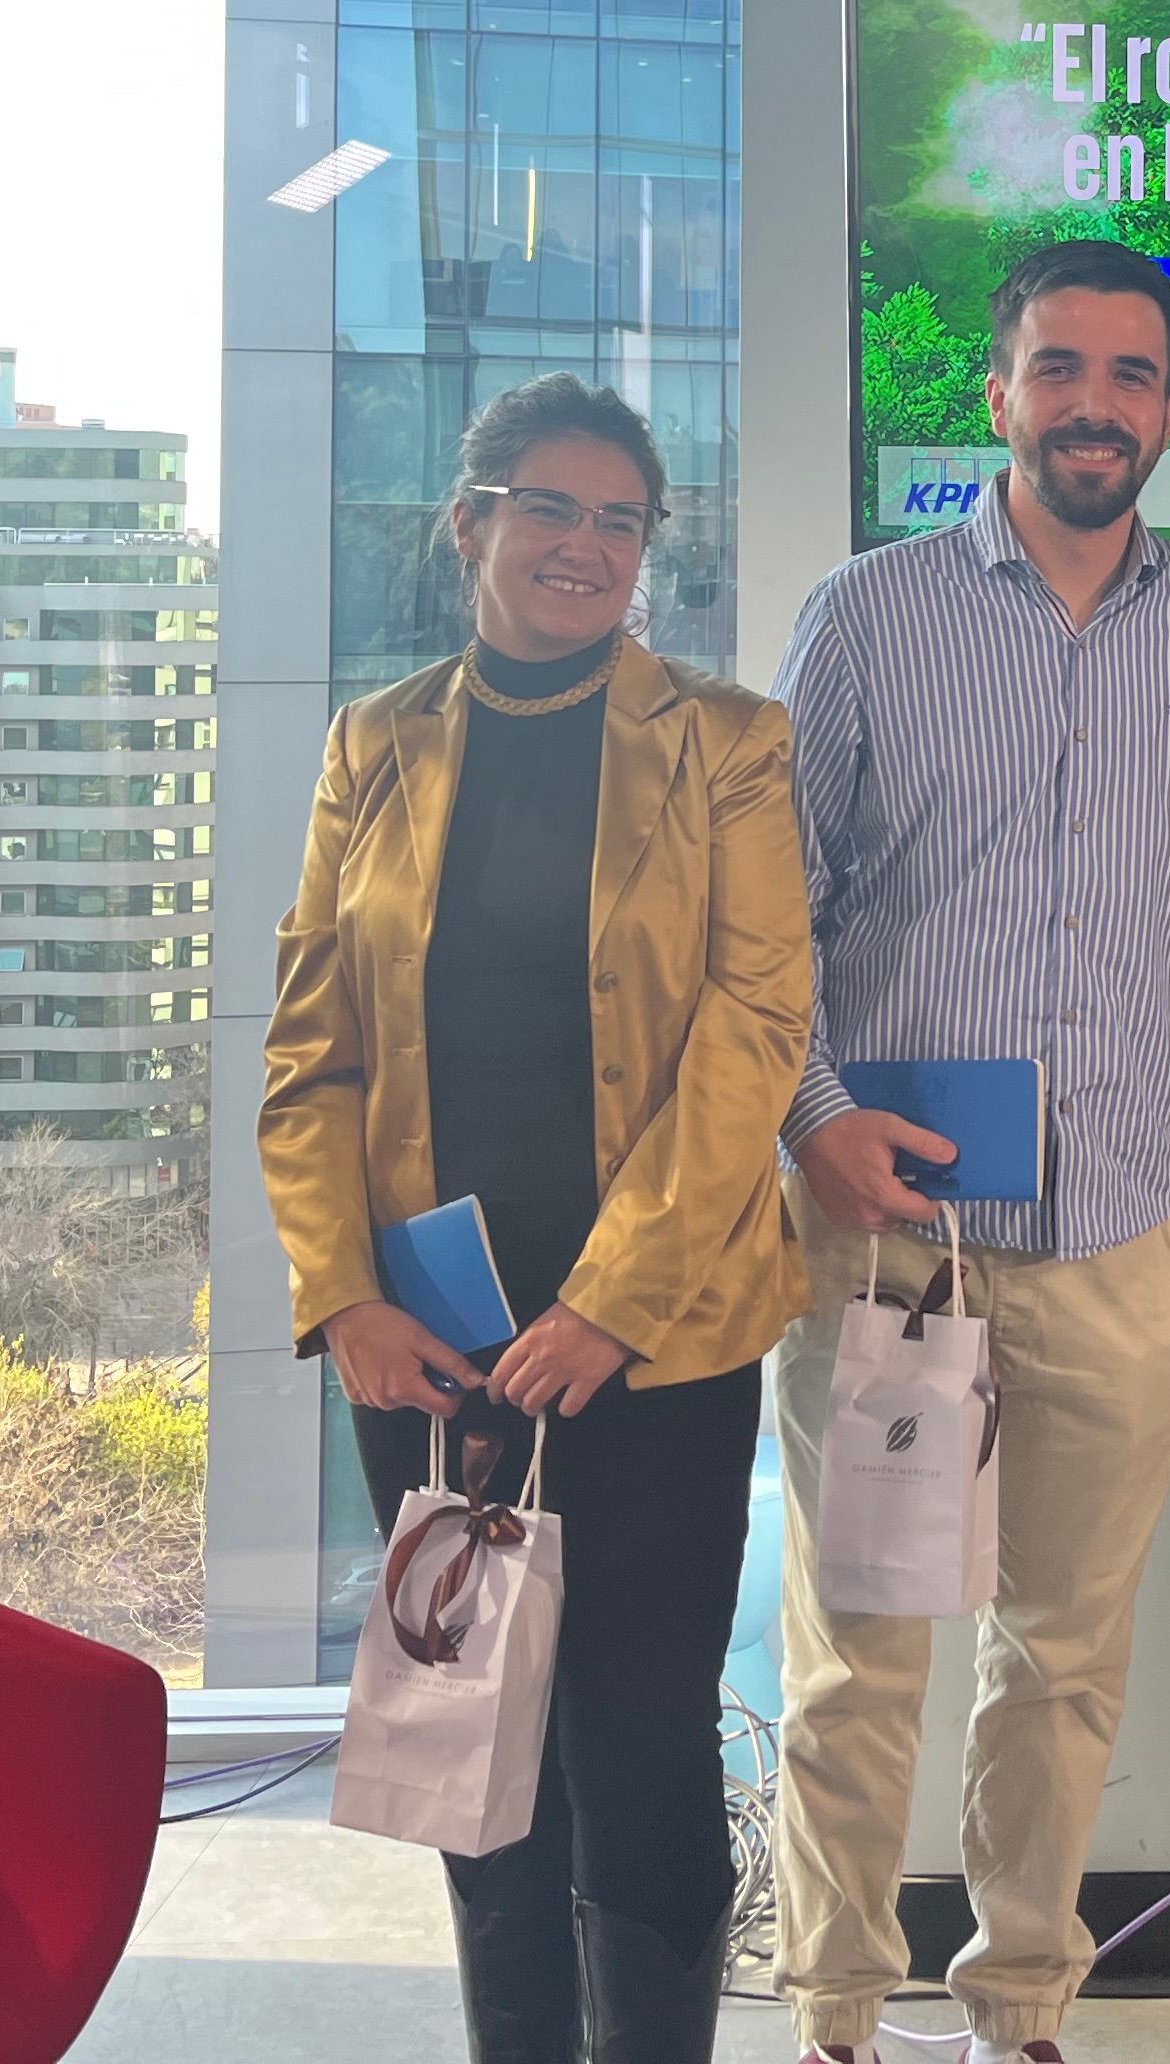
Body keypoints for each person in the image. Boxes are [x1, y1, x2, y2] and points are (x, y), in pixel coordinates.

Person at [260, 372, 812, 2064]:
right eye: (551, 508)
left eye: (621, 520)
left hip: (658, 1339)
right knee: (471, 1755)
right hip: (429, 1347)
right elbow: (310, 1048)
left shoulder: (726, 743)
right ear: (471, 522)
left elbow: (756, 1029)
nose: (587, 544)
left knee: (640, 1747)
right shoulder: (374, 744)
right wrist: (341, 1295)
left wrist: (611, 1305)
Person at [770, 238, 1170, 2064]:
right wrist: (816, 1118)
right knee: (863, 1654)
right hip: (895, 1234)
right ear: (998, 394)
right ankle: (835, 2009)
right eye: (1059, 368)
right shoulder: (869, 613)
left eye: (1132, 375)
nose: (1094, 406)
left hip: (1119, 1232)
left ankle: (1019, 2010)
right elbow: (765, 909)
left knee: (1062, 1661)